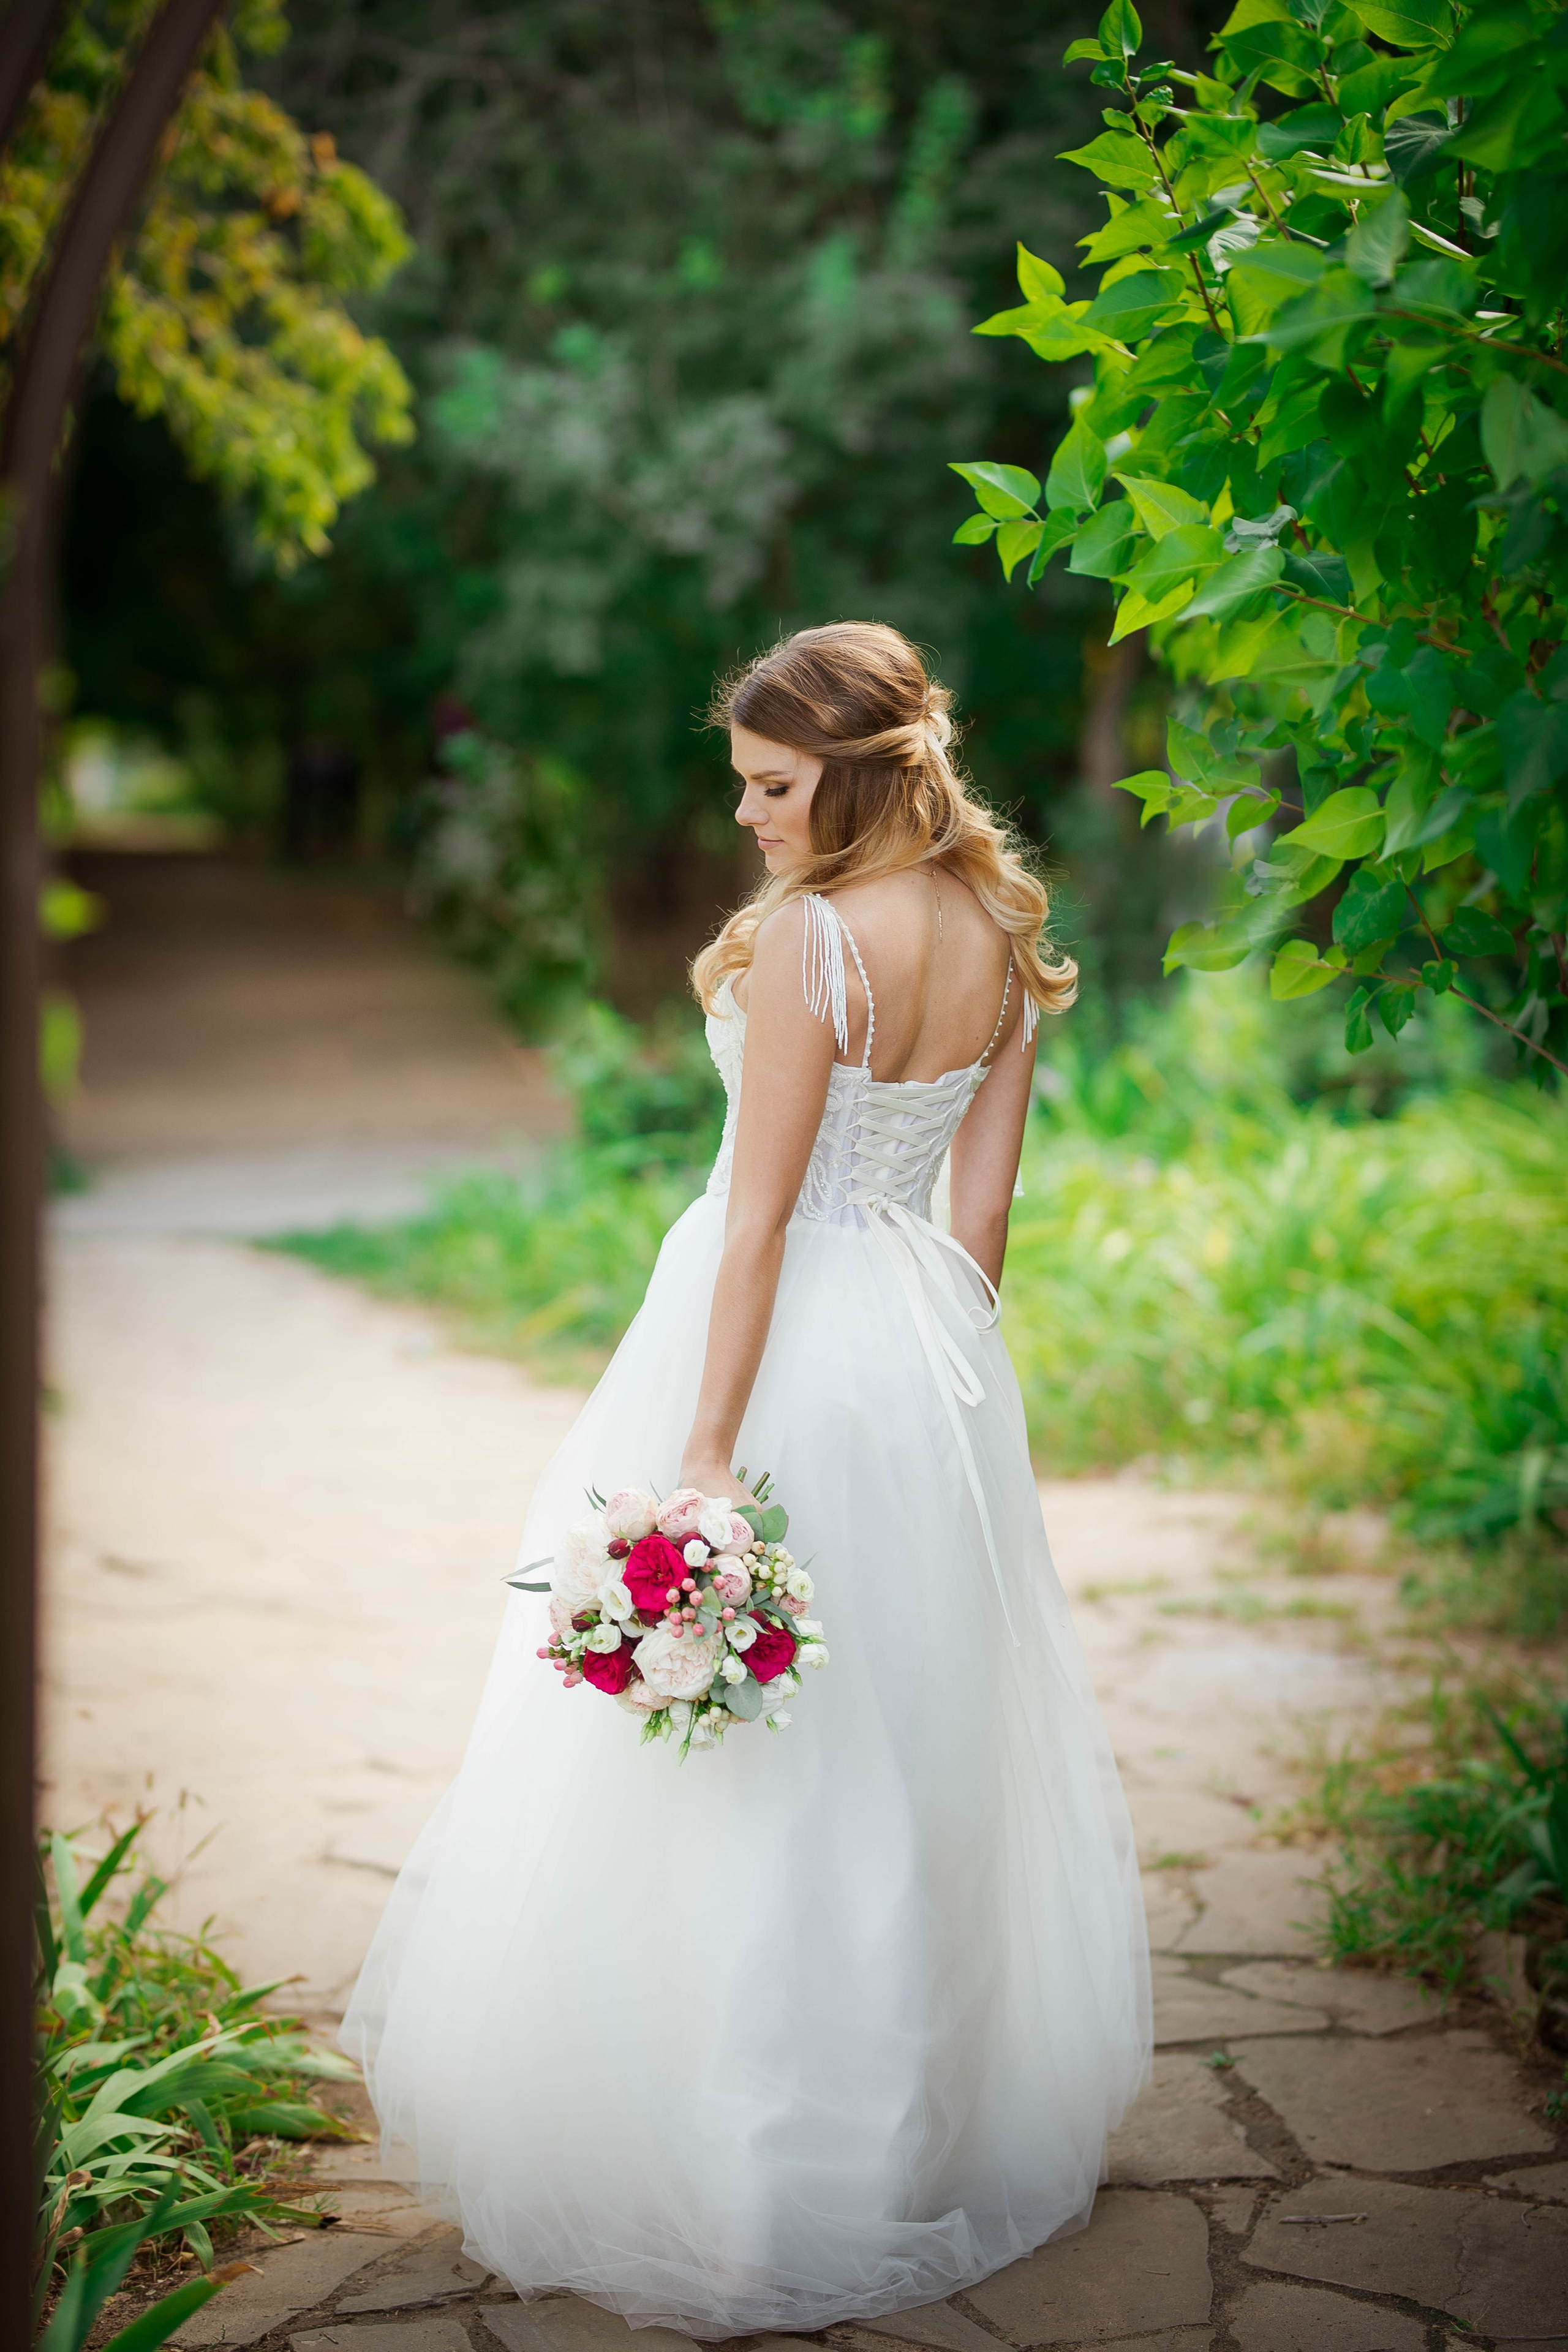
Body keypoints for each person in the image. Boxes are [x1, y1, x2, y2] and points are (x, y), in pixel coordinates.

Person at [341, 622, 1151, 2340]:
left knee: (759, 1774)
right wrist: (951, 1392)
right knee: (906, 1748)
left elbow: (764, 1213)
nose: (752, 821)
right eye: (741, 791)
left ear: (855, 773)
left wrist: (706, 1457)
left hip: (778, 1352)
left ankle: (759, 2184)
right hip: (932, 1360)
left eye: (776, 789)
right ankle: (902, 2143)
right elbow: (981, 1223)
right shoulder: (1004, 931)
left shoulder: (815, 945)